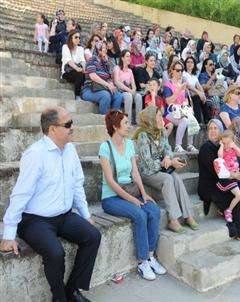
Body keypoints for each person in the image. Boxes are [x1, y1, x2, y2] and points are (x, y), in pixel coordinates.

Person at [0, 107, 101, 302]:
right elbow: (20, 194)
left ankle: (72, 290)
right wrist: (9, 235)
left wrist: (86, 215)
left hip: (63, 215)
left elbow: (77, 184)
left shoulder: (70, 149)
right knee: (55, 253)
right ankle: (59, 297)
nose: (73, 128)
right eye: (68, 124)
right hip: (34, 220)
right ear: (52, 129)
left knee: (92, 236)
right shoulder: (35, 154)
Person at [99, 109, 166, 281]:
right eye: (125, 123)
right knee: (140, 214)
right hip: (111, 197)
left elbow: (135, 173)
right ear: (115, 127)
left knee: (154, 210)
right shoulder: (105, 147)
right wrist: (132, 200)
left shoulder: (129, 144)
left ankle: (150, 256)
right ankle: (142, 262)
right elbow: (110, 181)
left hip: (131, 191)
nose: (129, 127)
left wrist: (144, 195)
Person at [135, 106, 199, 233]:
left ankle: (188, 215)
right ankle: (173, 219)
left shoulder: (161, 131)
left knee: (176, 177)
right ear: (151, 119)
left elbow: (168, 149)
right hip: (147, 173)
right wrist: (167, 163)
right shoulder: (142, 135)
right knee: (168, 178)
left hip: (160, 169)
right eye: (159, 116)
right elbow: (148, 163)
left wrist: (168, 157)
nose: (161, 119)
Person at [198, 119, 240, 241]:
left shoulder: (225, 147)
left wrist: (238, 174)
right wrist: (235, 175)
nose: (213, 131)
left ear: (221, 132)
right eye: (210, 128)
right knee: (239, 190)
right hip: (211, 184)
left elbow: (237, 162)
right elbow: (217, 171)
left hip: (224, 180)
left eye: (216, 128)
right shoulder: (206, 147)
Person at [163, 61, 198, 153]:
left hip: (181, 111)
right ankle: (178, 146)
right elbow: (168, 101)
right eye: (178, 70)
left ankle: (190, 145)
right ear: (172, 71)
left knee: (191, 118)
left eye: (181, 70)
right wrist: (179, 90)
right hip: (170, 112)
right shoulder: (168, 84)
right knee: (184, 120)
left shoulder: (182, 85)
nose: (180, 73)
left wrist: (185, 104)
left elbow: (185, 100)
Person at [81, 41, 123, 115]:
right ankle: (104, 120)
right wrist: (108, 85)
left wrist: (111, 85)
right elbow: (93, 76)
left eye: (106, 48)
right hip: (89, 89)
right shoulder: (92, 60)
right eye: (103, 48)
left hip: (102, 88)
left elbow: (109, 78)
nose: (105, 50)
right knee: (105, 95)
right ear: (97, 49)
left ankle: (113, 119)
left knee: (118, 95)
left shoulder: (105, 64)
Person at [217, 130, 240, 222]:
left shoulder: (234, 150)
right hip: (228, 178)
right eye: (224, 143)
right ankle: (228, 211)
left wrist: (234, 146)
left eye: (228, 143)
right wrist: (222, 146)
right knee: (238, 195)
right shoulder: (223, 151)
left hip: (236, 177)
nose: (226, 145)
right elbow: (219, 155)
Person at [113, 49, 140, 125]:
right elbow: (117, 82)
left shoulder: (130, 71)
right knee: (128, 96)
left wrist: (133, 90)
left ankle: (138, 121)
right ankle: (128, 122)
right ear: (122, 58)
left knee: (138, 96)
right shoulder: (117, 68)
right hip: (120, 91)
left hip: (129, 90)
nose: (129, 58)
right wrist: (129, 90)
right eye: (127, 56)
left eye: (130, 56)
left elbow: (134, 85)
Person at [183, 56, 209, 124]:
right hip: (187, 95)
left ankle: (207, 121)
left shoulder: (194, 76)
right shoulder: (183, 73)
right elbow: (188, 85)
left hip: (194, 93)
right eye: (188, 62)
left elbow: (199, 86)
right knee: (197, 97)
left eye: (192, 62)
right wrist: (199, 93)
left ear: (194, 65)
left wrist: (203, 95)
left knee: (203, 98)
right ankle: (198, 122)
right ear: (185, 64)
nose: (190, 64)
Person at [61, 30, 85, 100]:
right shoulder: (65, 47)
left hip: (77, 71)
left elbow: (83, 61)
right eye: (76, 37)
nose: (78, 39)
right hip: (67, 72)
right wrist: (77, 68)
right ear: (71, 38)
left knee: (85, 74)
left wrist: (84, 68)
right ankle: (77, 95)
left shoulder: (81, 49)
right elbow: (68, 61)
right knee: (79, 74)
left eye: (79, 37)